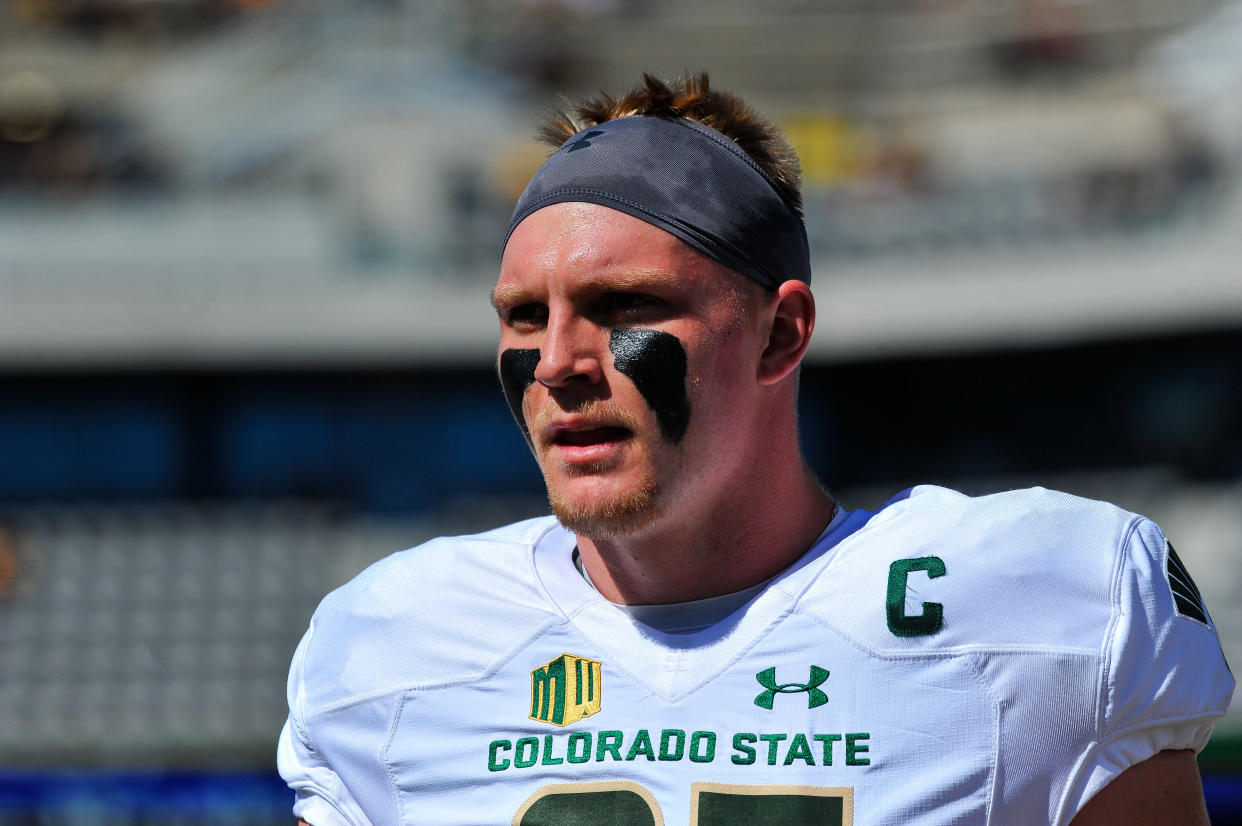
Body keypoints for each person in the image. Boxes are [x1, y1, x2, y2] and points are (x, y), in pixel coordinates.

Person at [277, 74, 1234, 825]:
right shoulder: (394, 646)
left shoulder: (1039, 606)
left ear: (779, 336)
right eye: (525, 316)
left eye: (625, 307)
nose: (557, 363)